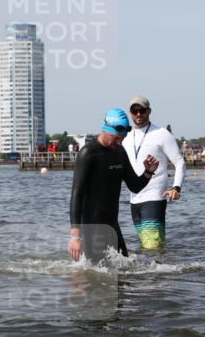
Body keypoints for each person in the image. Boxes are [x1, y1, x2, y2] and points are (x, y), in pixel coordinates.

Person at [69, 109, 159, 263]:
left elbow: (134, 186)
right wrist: (75, 236)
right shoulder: (88, 153)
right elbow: (77, 194)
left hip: (112, 225)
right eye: (117, 138)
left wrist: (148, 172)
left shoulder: (120, 152)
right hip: (91, 227)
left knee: (126, 270)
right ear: (107, 130)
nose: (120, 142)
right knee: (96, 274)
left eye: (122, 138)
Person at [121, 96, 186, 249]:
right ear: (130, 113)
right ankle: (164, 264)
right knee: (147, 246)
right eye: (134, 111)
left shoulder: (162, 134)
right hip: (134, 199)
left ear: (149, 111)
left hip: (154, 197)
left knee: (153, 246)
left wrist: (176, 187)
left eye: (142, 110)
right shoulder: (126, 136)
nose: (138, 114)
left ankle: (161, 265)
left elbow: (179, 162)